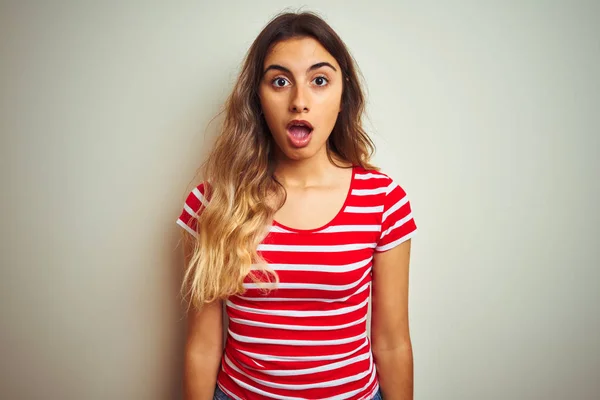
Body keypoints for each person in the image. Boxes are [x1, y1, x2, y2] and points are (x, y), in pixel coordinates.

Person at [176, 11, 417, 400]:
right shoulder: (211, 204)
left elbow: (391, 342)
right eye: (280, 81)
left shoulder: (384, 200)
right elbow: (203, 347)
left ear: (343, 97)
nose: (299, 101)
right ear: (257, 97)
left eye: (319, 80)